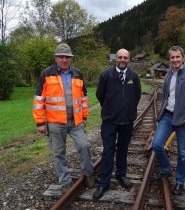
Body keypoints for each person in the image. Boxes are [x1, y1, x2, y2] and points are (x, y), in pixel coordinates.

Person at [32, 43, 94, 193]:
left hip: (76, 122)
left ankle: (89, 173)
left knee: (84, 146)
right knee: (59, 152)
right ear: (56, 58)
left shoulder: (78, 74)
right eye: (61, 57)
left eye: (67, 57)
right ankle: (65, 180)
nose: (64, 60)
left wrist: (84, 116)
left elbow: (84, 98)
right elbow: (39, 99)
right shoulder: (46, 74)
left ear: (71, 58)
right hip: (55, 123)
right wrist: (40, 122)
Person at [152, 45, 185, 195]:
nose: (175, 60)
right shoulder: (168, 74)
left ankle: (180, 181)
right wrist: (161, 114)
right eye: (172, 57)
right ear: (169, 59)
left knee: (182, 153)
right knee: (156, 145)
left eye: (177, 57)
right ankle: (166, 169)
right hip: (168, 116)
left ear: (183, 58)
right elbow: (165, 96)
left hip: (184, 120)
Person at [93, 48, 141, 201]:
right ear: (116, 59)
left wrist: (129, 109)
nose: (122, 60)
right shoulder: (106, 75)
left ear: (129, 59)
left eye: (125, 58)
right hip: (109, 121)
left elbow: (137, 95)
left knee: (123, 149)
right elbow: (100, 94)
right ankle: (104, 182)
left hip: (127, 121)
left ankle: (121, 175)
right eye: (120, 57)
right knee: (108, 151)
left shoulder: (134, 76)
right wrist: (110, 108)